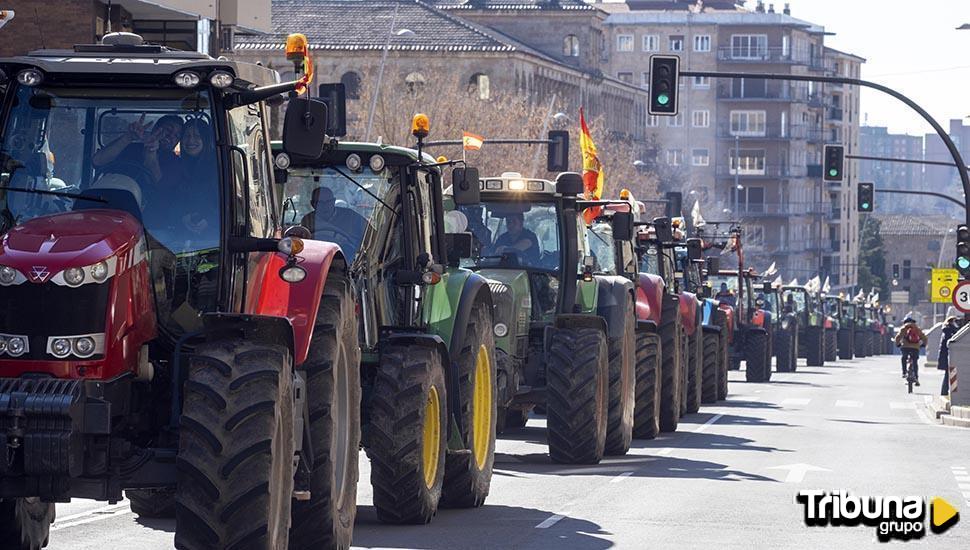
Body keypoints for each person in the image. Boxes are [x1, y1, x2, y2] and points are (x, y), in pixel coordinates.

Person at [93, 114, 183, 184]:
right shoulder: (130, 148)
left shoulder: (175, 162)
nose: (171, 136)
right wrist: (128, 138)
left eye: (177, 135)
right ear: (155, 128)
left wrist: (151, 152)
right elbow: (98, 161)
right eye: (168, 130)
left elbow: (162, 187)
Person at [300, 186, 368, 260]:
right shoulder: (307, 220)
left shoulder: (351, 217)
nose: (325, 206)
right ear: (313, 204)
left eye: (328, 202)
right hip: (316, 261)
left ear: (333, 201)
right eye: (320, 203)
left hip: (347, 262)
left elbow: (371, 236)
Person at [894, 316, 927, 385]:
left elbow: (898, 337)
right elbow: (924, 337)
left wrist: (898, 344)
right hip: (915, 347)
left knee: (904, 358)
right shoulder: (917, 328)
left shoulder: (904, 328)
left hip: (905, 347)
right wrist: (923, 345)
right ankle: (916, 378)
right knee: (915, 361)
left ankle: (904, 372)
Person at [938, 316, 963, 396]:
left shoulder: (946, 330)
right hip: (948, 356)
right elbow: (951, 343)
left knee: (948, 375)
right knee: (949, 375)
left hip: (946, 356)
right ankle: (946, 393)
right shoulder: (949, 330)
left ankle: (945, 393)